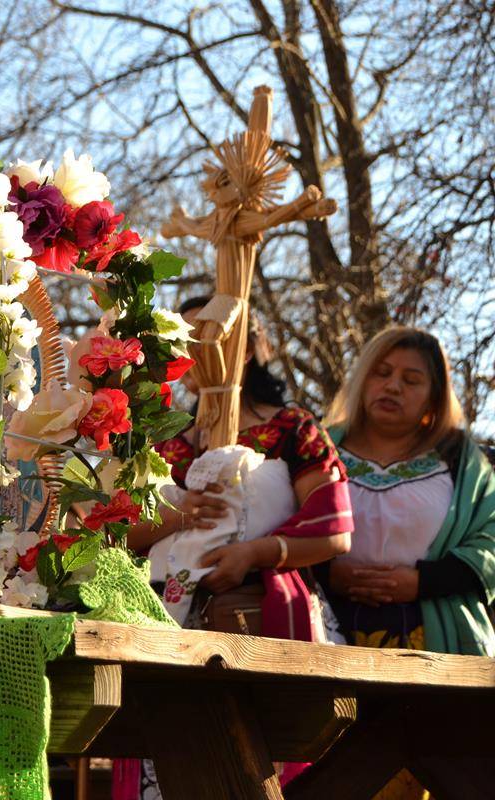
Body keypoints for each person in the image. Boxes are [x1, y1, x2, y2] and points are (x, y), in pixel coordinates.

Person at [113, 296, 352, 798]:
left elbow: (334, 527)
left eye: (204, 338)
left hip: (267, 610)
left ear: (242, 349)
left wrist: (254, 553)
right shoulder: (166, 441)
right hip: (166, 618)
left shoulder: (292, 428)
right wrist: (177, 517)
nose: (191, 350)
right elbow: (120, 532)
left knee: (270, 766)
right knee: (172, 759)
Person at [321, 327, 495, 657]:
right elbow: (275, 524)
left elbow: (491, 542)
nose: (393, 386)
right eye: (381, 373)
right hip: (321, 632)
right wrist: (327, 575)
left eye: (411, 380)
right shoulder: (316, 448)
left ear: (434, 396)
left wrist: (423, 582)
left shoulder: (462, 462)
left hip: (439, 642)